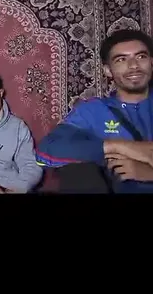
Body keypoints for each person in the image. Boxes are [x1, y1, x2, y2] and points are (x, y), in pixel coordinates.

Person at [36, 29, 153, 193]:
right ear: (108, 70)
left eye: (141, 57)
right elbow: (45, 152)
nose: (134, 66)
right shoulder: (93, 111)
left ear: (151, 62)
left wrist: (148, 173)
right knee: (77, 172)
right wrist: (118, 146)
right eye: (121, 59)